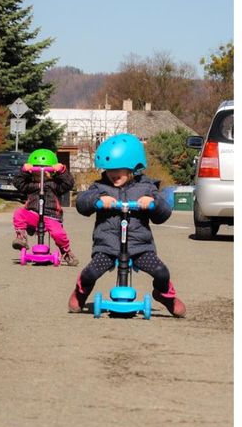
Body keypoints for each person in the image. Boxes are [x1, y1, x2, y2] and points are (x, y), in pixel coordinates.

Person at [69, 133, 186, 317]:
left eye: (119, 169)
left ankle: (165, 295)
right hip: (107, 246)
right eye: (109, 170)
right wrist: (97, 199)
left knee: (162, 272)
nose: (113, 174)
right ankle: (81, 292)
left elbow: (163, 214)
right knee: (90, 273)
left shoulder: (147, 187)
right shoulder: (100, 187)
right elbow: (82, 204)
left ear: (134, 167)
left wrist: (152, 202)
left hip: (139, 247)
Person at [12, 148, 79, 266]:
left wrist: (62, 171)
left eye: (45, 170)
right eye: (37, 169)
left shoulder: (55, 185)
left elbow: (68, 183)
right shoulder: (30, 184)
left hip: (51, 216)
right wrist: (23, 171)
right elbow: (18, 182)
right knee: (19, 213)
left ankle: (66, 252)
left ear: (52, 172)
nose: (41, 172)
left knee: (59, 235)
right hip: (33, 214)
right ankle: (21, 237)